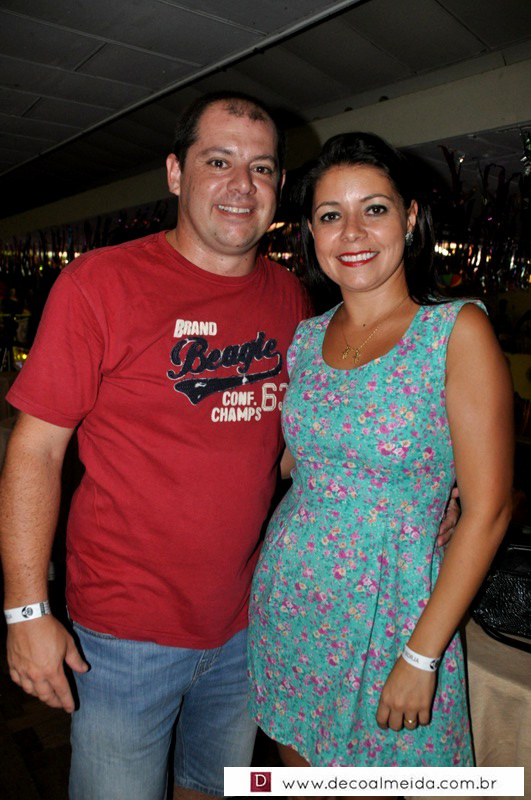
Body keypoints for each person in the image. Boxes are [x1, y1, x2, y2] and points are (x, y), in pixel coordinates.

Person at [0, 97, 458, 800]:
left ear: (280, 188)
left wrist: (420, 493)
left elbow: (295, 448)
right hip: (124, 634)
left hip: (254, 622)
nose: (242, 184)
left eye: (262, 167)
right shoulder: (98, 282)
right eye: (219, 161)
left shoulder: (291, 301)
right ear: (175, 173)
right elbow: (35, 451)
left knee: (214, 791)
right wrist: (27, 610)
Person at [247, 132, 513, 779]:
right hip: (289, 604)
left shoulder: (455, 331)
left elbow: (490, 510)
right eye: (329, 215)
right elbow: (293, 464)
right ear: (311, 233)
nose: (352, 233)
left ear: (409, 217)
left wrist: (421, 656)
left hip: (392, 618)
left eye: (374, 208)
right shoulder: (305, 339)